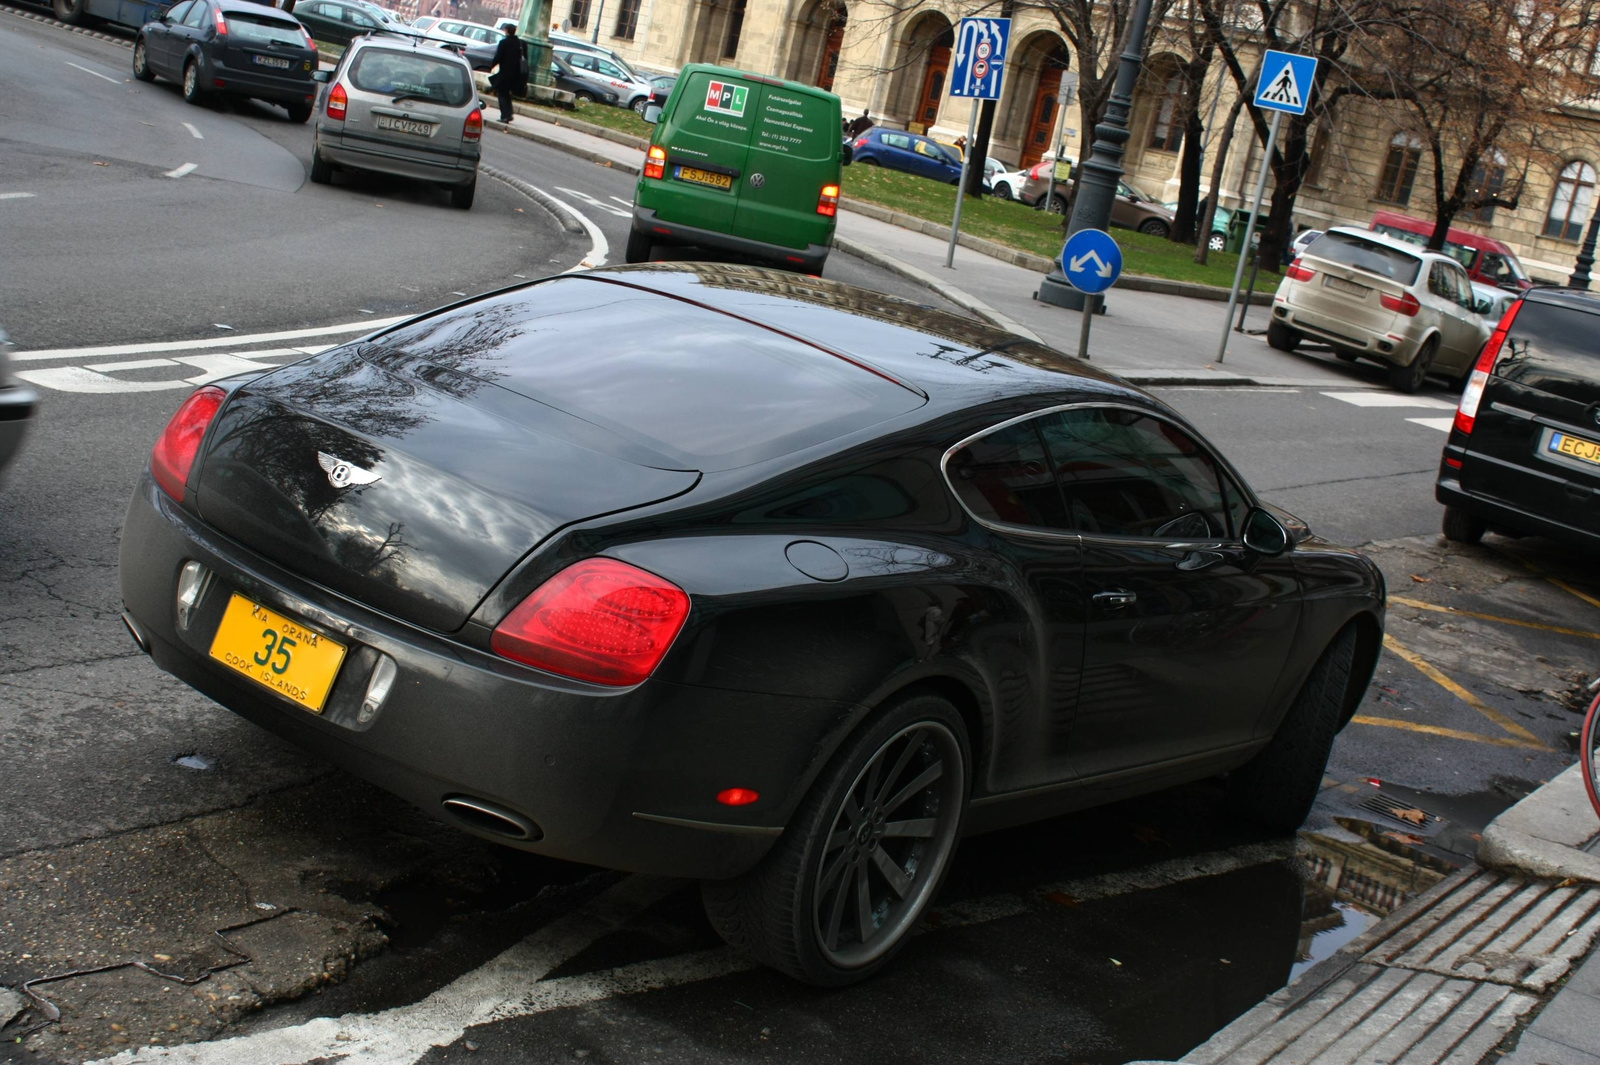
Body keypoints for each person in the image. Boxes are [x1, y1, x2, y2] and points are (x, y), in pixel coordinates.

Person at [487, 23, 527, 124]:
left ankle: (505, 115)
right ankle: (509, 114)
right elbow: (525, 59)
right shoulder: (522, 44)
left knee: (502, 94)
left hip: (505, 73)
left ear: (507, 31)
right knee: (507, 94)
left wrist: (491, 66)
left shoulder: (503, 43)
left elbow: (498, 57)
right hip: (517, 75)